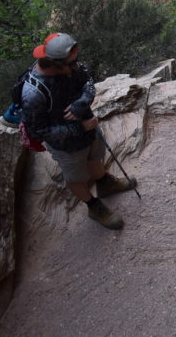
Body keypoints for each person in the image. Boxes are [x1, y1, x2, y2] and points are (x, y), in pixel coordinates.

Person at [20, 33, 136, 230]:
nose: (76, 66)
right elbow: (39, 132)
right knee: (75, 177)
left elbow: (87, 81)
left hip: (88, 126)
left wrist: (82, 103)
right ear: (56, 64)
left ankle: (104, 183)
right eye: (71, 63)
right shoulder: (33, 94)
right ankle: (93, 206)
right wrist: (78, 127)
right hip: (66, 145)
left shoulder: (70, 66)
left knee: (94, 157)